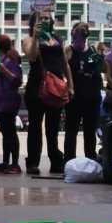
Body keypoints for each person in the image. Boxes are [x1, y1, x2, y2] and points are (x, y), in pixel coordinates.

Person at [23, 10, 74, 175]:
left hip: (56, 88)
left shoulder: (57, 40)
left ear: (52, 21)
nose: (45, 20)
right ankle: (32, 163)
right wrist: (36, 37)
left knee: (53, 128)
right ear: (34, 22)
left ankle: (56, 161)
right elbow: (31, 56)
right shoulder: (29, 39)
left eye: (47, 18)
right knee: (35, 127)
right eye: (41, 18)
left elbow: (65, 64)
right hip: (36, 87)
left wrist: (70, 86)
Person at [63, 23, 104, 162]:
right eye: (77, 34)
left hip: (91, 96)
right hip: (74, 96)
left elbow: (100, 70)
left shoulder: (92, 50)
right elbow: (63, 66)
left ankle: (90, 158)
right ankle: (69, 159)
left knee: (89, 130)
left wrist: (101, 56)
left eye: (82, 34)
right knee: (71, 130)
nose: (79, 38)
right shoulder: (69, 50)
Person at [0, 34, 23, 174]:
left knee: (11, 133)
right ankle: (6, 162)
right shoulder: (2, 60)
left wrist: (4, 71)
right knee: (5, 133)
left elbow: (17, 80)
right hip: (0, 102)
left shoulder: (11, 61)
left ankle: (15, 164)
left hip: (9, 101)